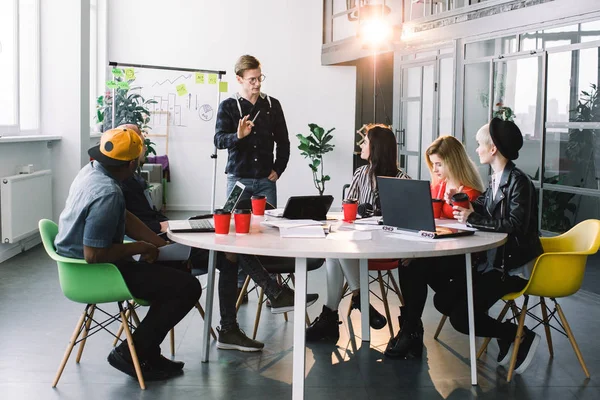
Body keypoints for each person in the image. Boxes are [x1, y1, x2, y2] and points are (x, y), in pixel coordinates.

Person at [118, 124, 319, 352]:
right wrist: (160, 225)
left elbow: (146, 215)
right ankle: (254, 310)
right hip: (160, 245)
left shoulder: (132, 177)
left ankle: (249, 314)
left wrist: (173, 222)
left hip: (167, 230)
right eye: (138, 138)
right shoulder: (121, 182)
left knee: (226, 232)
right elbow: (129, 224)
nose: (142, 141)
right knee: (229, 250)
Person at [387, 119, 543, 376]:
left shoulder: (519, 182)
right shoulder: (495, 179)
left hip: (510, 269)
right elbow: (483, 209)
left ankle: (517, 334)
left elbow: (514, 224)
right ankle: (411, 330)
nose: (477, 150)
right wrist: (459, 201)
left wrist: (472, 217)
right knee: (435, 290)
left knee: (460, 317)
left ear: (493, 149)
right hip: (490, 263)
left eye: (480, 145)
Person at [54, 127, 201, 381]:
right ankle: (130, 352)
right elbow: (94, 254)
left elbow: (124, 216)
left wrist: (157, 245)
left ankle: (147, 352)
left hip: (78, 265)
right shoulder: (108, 193)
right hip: (96, 271)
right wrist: (140, 248)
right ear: (133, 163)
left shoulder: (91, 172)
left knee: (175, 272)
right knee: (188, 287)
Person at [305, 124, 410, 343]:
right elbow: (347, 208)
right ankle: (353, 304)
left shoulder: (402, 180)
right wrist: (356, 210)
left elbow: (405, 223)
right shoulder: (361, 173)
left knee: (338, 249)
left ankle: (332, 317)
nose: (361, 145)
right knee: (335, 251)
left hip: (387, 248)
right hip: (358, 245)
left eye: (365, 142)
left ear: (376, 147)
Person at [214, 54, 290, 207]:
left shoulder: (272, 105)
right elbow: (218, 140)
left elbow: (283, 141)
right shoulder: (228, 106)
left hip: (265, 181)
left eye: (259, 78)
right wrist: (238, 136)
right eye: (252, 80)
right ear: (239, 79)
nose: (257, 83)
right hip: (237, 180)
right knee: (235, 225)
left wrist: (278, 169)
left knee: (268, 226)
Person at [426, 135, 485, 218]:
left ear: (453, 163)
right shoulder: (437, 186)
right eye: (433, 164)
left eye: (439, 164)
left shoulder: (471, 194)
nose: (434, 170)